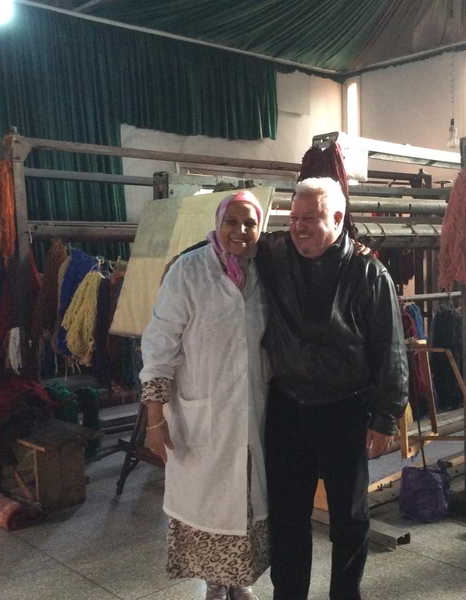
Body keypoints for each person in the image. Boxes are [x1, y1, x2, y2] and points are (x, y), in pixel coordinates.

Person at [256, 177, 409, 600]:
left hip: (345, 410)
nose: (299, 227)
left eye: (311, 218)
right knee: (287, 518)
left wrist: (384, 417)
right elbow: (226, 241)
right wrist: (181, 263)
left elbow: (391, 351)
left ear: (338, 218)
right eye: (294, 218)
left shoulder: (368, 272)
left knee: (349, 519)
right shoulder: (274, 253)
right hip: (288, 407)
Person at [140, 190, 270, 600]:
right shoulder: (188, 271)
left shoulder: (265, 273)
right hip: (200, 415)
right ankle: (215, 582)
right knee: (210, 501)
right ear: (218, 223)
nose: (240, 231)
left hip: (252, 411)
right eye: (232, 221)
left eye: (250, 223)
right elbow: (159, 348)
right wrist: (155, 420)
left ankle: (239, 579)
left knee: (247, 496)